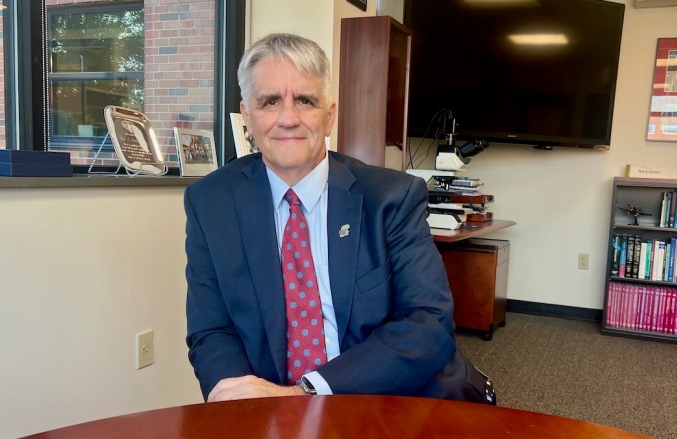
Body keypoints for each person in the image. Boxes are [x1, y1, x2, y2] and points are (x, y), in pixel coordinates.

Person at [184, 33, 493, 403]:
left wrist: (308, 391)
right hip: (268, 405)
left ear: (329, 117)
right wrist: (234, 395)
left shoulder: (391, 197)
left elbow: (427, 322)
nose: (288, 119)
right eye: (269, 102)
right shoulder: (210, 202)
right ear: (247, 117)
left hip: (385, 397)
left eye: (304, 100)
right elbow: (212, 328)